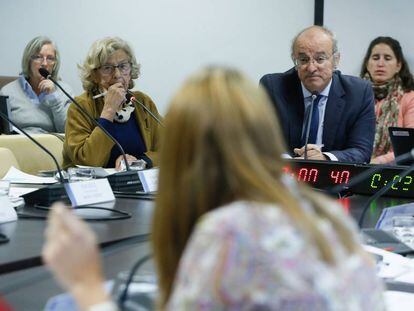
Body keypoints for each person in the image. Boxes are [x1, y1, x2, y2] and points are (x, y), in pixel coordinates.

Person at [42, 67, 384, 310]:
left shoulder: (226, 235)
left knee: (68, 302)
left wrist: (86, 284)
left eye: (124, 67)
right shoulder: (321, 211)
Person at [260, 26, 375, 163]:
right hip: (284, 177)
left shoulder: (359, 93)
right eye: (303, 60)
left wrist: (325, 158)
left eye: (320, 59)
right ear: (294, 60)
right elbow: (260, 143)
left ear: (336, 60)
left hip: (333, 179)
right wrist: (289, 162)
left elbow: (361, 151)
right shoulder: (273, 87)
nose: (311, 68)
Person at [62, 37, 162, 169]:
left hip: (135, 185)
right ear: (94, 75)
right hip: (96, 186)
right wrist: (109, 110)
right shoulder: (80, 107)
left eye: (123, 66)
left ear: (131, 70)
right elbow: (86, 161)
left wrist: (141, 161)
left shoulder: (142, 102)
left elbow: (170, 149)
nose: (117, 74)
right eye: (107, 68)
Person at [0, 36, 73, 134]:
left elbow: (68, 132)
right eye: (38, 57)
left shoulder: (65, 91)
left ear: (55, 64)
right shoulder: (7, 91)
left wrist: (53, 96)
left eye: (50, 58)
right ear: (28, 60)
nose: (44, 63)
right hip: (18, 146)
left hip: (52, 146)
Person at [360, 36, 414, 164]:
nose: (380, 64)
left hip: (395, 170)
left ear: (398, 66)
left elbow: (410, 147)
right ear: (367, 64)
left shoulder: (410, 98)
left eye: (387, 58)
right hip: (357, 165)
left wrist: (376, 162)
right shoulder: (356, 96)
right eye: (375, 58)